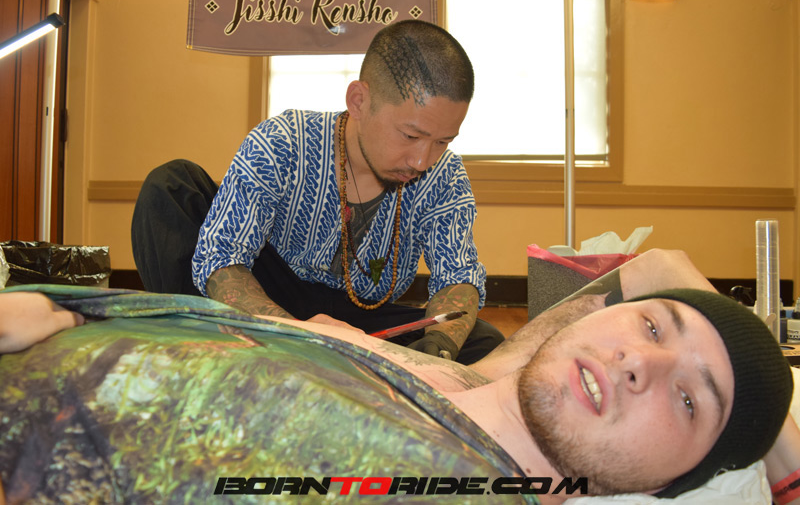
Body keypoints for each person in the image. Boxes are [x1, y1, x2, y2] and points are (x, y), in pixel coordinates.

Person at [0, 249, 797, 504]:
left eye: (689, 400)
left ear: (670, 482)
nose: (639, 363)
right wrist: (72, 313)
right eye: (654, 327)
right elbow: (656, 266)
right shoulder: (464, 383)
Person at [131, 19, 503, 365]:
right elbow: (222, 257)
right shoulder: (283, 141)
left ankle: (295, 364)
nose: (422, 160)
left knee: (482, 341)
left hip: (362, 324)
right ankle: (250, 351)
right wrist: (298, 332)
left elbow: (458, 275)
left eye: (442, 141)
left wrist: (440, 345)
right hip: (271, 301)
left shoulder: (445, 174)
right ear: (359, 101)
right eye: (410, 135)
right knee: (172, 186)